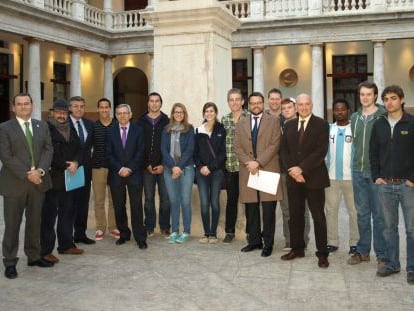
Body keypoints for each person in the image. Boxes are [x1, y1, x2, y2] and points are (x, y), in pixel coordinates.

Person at [0, 93, 54, 279]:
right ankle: (9, 261)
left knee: (34, 223)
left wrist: (39, 171)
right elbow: (6, 156)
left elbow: (48, 149)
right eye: (19, 104)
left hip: (38, 183)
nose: (23, 107)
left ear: (32, 105)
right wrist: (27, 174)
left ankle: (33, 256)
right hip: (15, 184)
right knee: (12, 225)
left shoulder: (42, 126)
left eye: (26, 103)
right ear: (13, 107)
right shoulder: (4, 128)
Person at [369, 85, 414, 284]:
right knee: (389, 227)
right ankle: (392, 264)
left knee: (412, 229)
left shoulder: (411, 123)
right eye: (386, 99)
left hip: (408, 185)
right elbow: (373, 153)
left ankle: (412, 268)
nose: (389, 102)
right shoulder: (379, 124)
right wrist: (376, 176)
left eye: (393, 98)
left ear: (402, 100)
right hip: (385, 185)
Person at [280, 93, 330, 268]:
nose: (303, 107)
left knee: (318, 217)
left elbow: (320, 151)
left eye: (306, 104)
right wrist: (293, 171)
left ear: (312, 105)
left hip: (314, 177)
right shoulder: (289, 125)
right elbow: (284, 151)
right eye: (300, 104)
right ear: (296, 107)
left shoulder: (322, 124)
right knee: (295, 216)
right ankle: (297, 248)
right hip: (294, 179)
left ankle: (322, 253)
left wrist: (302, 168)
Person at [234, 92, 282, 257]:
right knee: (251, 208)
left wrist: (258, 162)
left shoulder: (274, 121)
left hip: (267, 168)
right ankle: (254, 241)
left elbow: (275, 144)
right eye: (252, 103)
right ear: (249, 104)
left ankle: (268, 244)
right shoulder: (241, 123)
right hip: (248, 171)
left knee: (268, 210)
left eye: (259, 103)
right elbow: (237, 146)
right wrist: (249, 162)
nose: (256, 105)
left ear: (263, 104)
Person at [347, 81, 387, 265]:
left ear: (375, 96)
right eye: (362, 94)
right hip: (358, 170)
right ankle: (363, 251)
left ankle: (381, 253)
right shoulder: (354, 117)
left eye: (369, 94)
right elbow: (355, 143)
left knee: (379, 215)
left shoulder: (383, 115)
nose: (365, 98)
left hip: (376, 172)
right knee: (362, 213)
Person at [41, 99, 84, 264]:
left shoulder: (71, 128)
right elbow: (47, 152)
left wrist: (76, 162)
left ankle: (66, 245)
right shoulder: (46, 129)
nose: (61, 115)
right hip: (53, 179)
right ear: (53, 112)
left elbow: (80, 149)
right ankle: (45, 250)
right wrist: (67, 164)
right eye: (58, 112)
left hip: (70, 178)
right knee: (49, 216)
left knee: (68, 212)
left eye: (64, 113)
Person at [107, 104, 147, 249]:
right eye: (119, 113)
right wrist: (120, 168)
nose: (122, 116)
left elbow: (141, 152)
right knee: (119, 206)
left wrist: (129, 168)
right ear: (116, 115)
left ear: (130, 114)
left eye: (125, 113)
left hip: (134, 173)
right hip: (116, 174)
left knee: (136, 206)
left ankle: (140, 237)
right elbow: (108, 153)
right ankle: (124, 234)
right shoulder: (110, 131)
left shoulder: (138, 130)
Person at [325, 99, 359, 254]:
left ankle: (355, 242)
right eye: (336, 109)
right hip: (331, 178)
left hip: (351, 178)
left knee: (354, 211)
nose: (339, 112)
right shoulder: (329, 129)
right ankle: (332, 241)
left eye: (342, 109)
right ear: (333, 112)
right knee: (331, 210)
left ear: (348, 111)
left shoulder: (354, 129)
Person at [279, 97, 311, 251]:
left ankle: (303, 240)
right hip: (283, 173)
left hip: (300, 173)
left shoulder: (304, 125)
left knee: (302, 209)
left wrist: (300, 170)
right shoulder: (279, 125)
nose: (286, 110)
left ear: (296, 108)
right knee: (286, 209)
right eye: (283, 108)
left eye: (289, 107)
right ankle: (289, 240)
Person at [161, 103, 195, 244]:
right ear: (172, 114)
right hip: (169, 169)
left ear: (184, 113)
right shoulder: (166, 129)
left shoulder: (189, 129)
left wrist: (179, 167)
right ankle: (174, 231)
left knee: (185, 201)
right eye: (176, 112)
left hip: (186, 169)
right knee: (174, 201)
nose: (178, 114)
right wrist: (173, 167)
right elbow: (163, 149)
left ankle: (186, 231)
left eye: (181, 112)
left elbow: (189, 150)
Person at [138, 92, 170, 237]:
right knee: (149, 199)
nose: (154, 103)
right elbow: (138, 145)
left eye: (157, 101)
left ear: (161, 104)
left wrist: (164, 164)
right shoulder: (140, 121)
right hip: (147, 168)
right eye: (152, 101)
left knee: (165, 198)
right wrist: (146, 164)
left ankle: (164, 226)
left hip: (163, 167)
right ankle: (149, 226)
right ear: (148, 103)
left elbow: (170, 146)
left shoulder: (167, 121)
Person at [194, 102, 226, 244]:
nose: (209, 113)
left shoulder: (221, 129)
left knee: (214, 202)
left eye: (211, 111)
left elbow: (222, 154)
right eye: (206, 111)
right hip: (201, 172)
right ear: (204, 113)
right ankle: (206, 232)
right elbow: (195, 153)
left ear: (216, 112)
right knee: (204, 203)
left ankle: (213, 233)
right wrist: (201, 167)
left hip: (216, 172)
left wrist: (210, 167)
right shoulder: (198, 130)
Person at [221, 88, 249, 243]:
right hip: (231, 167)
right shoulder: (224, 120)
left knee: (250, 202)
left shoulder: (250, 117)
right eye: (231, 100)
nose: (234, 102)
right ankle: (229, 231)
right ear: (228, 102)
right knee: (231, 201)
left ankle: (251, 231)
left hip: (248, 168)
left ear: (242, 101)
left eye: (237, 99)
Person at [69, 96, 95, 245]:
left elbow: (91, 146)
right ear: (70, 108)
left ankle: (80, 234)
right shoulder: (65, 124)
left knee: (83, 202)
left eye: (82, 106)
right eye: (76, 106)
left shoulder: (89, 124)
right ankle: (67, 236)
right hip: (71, 169)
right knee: (69, 203)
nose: (79, 109)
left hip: (86, 168)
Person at [92, 98, 119, 241]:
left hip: (114, 168)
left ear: (110, 109)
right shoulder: (94, 126)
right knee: (99, 200)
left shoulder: (116, 124)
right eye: (101, 107)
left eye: (106, 107)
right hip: (98, 167)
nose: (104, 110)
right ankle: (100, 227)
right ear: (98, 109)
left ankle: (113, 227)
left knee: (114, 199)